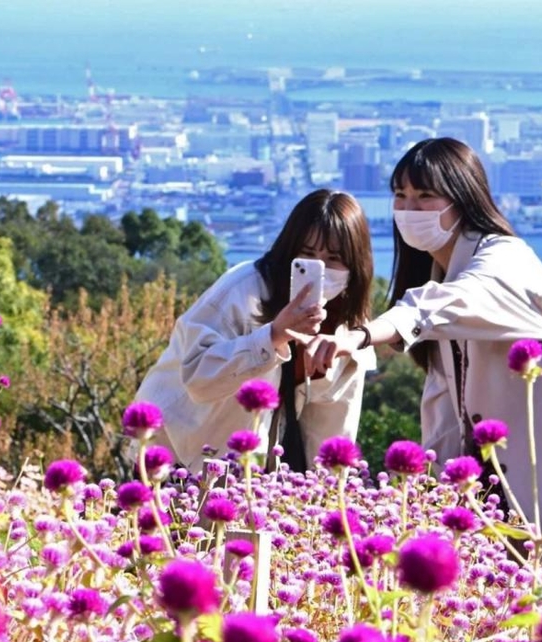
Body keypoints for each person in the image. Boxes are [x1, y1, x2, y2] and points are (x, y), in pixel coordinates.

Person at [331, 138, 542, 575]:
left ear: (463, 199)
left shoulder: (503, 258)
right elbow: (446, 402)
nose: (409, 209)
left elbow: (442, 304)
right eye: (401, 196)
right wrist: (429, 495)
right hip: (488, 477)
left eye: (426, 196)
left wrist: (361, 336)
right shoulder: (443, 271)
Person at [135, 190, 375, 474]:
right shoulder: (242, 290)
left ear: (354, 264)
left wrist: (327, 487)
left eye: (334, 259)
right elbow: (199, 378)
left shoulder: (349, 327)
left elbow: (336, 420)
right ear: (289, 251)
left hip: (252, 469)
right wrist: (273, 336)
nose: (319, 269)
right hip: (175, 454)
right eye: (307, 255)